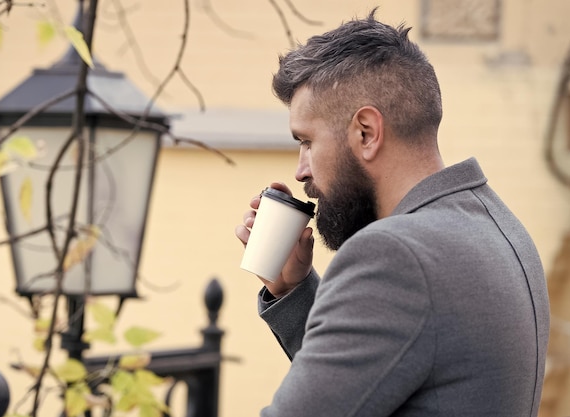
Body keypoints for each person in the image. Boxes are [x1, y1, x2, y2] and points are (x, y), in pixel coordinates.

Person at [234, 8, 550, 417]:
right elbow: (379, 375)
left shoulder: (394, 256)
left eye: (307, 141)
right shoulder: (501, 227)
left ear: (366, 132)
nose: (301, 171)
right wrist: (292, 291)